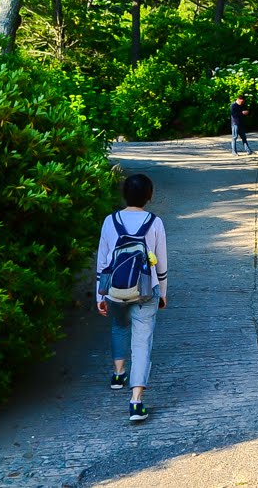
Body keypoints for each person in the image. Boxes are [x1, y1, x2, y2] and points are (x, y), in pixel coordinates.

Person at [95, 174, 168, 422]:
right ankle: (136, 401)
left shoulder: (110, 221)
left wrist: (99, 294)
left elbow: (103, 260)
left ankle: (118, 374)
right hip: (147, 289)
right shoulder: (154, 222)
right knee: (142, 341)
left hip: (115, 289)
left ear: (124, 194)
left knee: (118, 326)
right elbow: (162, 262)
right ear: (149, 195)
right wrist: (163, 293)